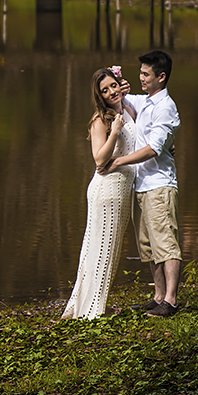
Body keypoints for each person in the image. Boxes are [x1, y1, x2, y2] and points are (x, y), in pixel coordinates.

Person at [100, 49, 181, 318]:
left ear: (162, 76)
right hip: (141, 184)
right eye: (140, 73)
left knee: (165, 243)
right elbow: (121, 102)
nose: (141, 78)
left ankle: (170, 300)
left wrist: (118, 162)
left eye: (146, 74)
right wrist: (117, 85)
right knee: (147, 245)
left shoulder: (165, 108)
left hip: (159, 184)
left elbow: (152, 149)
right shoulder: (144, 101)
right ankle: (158, 296)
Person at [61, 66, 140, 319]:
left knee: (110, 248)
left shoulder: (127, 110)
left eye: (113, 86)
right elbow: (99, 160)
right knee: (100, 249)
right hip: (107, 190)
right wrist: (114, 132)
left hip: (122, 188)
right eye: (104, 91)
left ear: (119, 84)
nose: (111, 92)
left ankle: (91, 305)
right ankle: (92, 311)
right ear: (100, 96)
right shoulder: (100, 120)